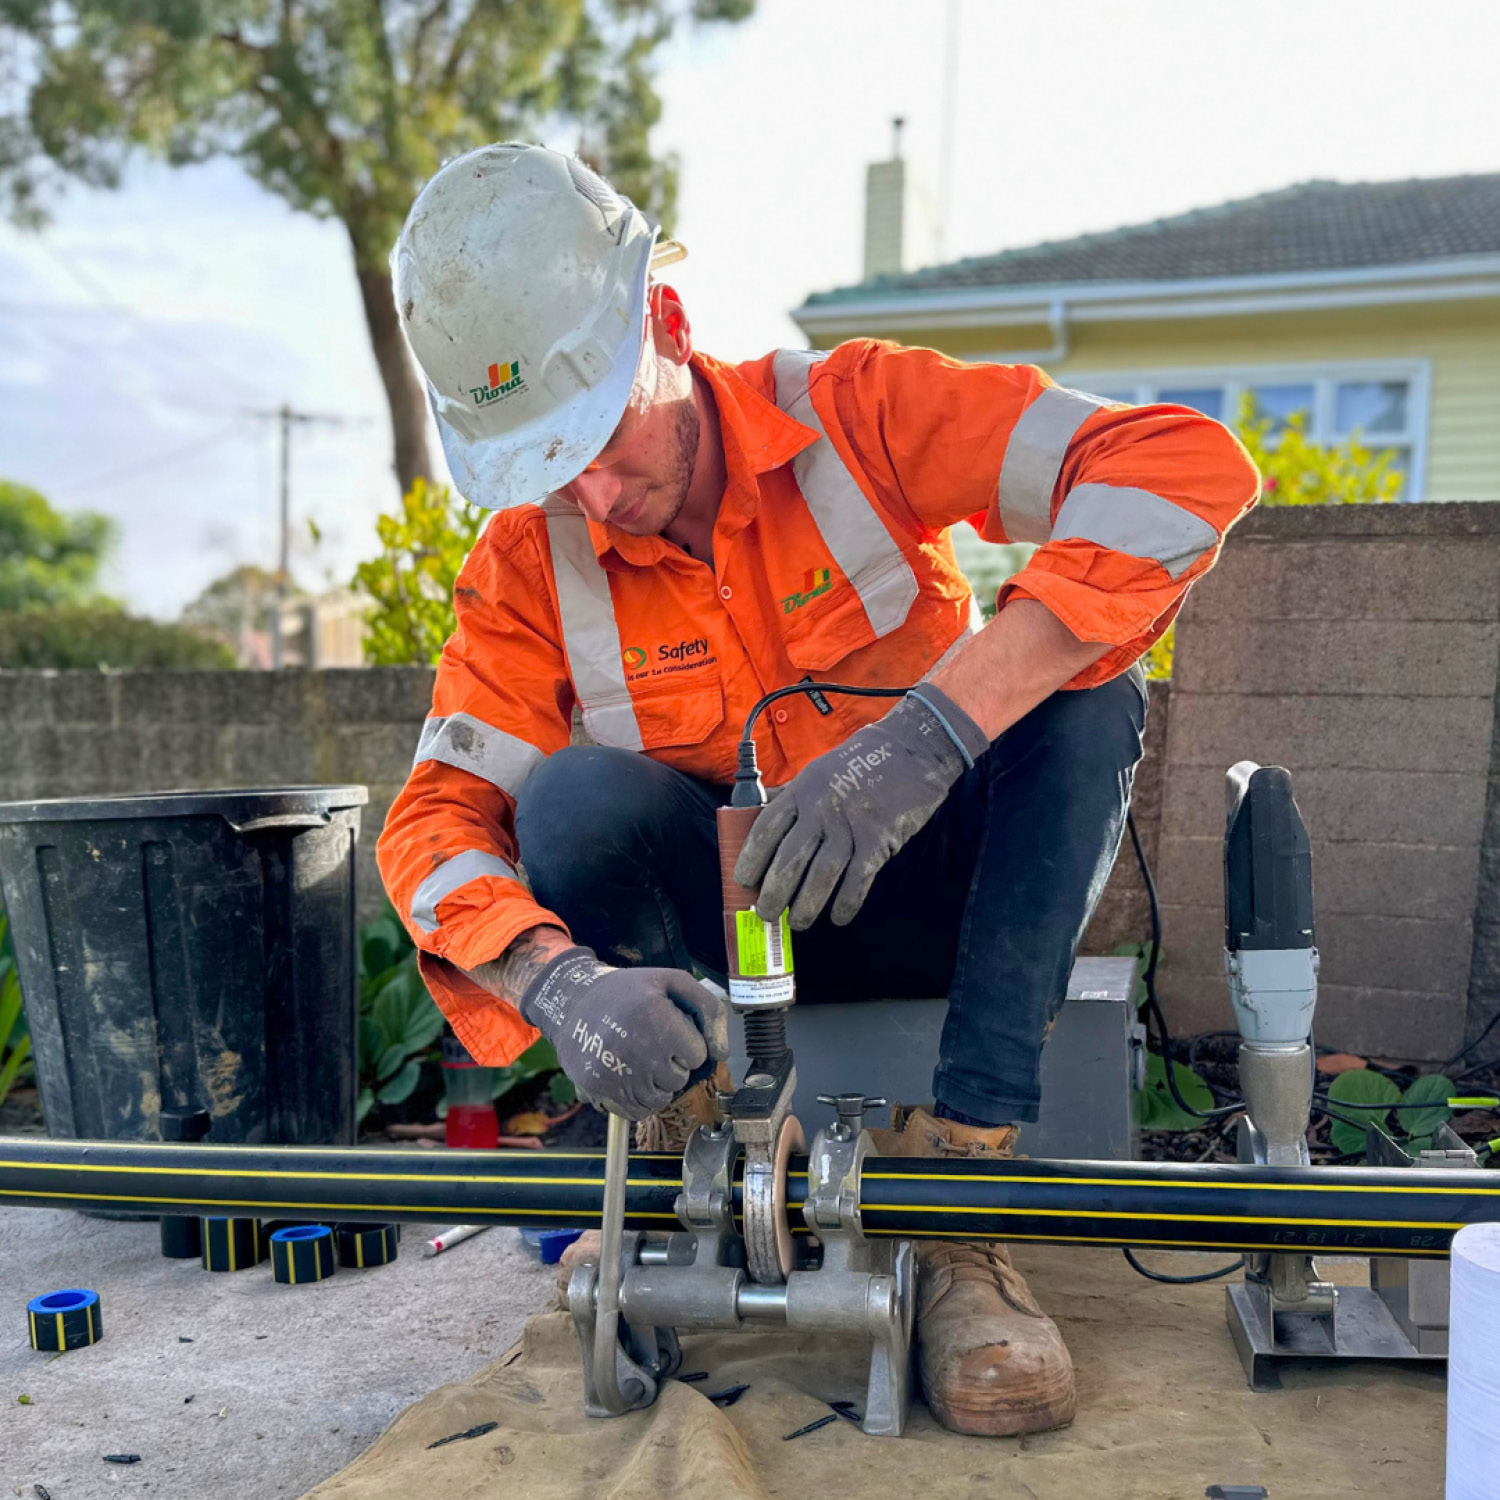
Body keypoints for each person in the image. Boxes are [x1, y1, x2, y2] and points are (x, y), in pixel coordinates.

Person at [377, 142, 1259, 1437]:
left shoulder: (858, 413)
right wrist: (554, 986)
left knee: (1089, 695)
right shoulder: (528, 567)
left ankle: (959, 1208)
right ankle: (699, 1161)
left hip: (933, 902)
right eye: (551, 464)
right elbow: (433, 823)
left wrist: (930, 734)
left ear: (666, 322)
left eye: (604, 435)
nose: (597, 493)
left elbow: (1182, 465)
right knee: (567, 800)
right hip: (734, 950)